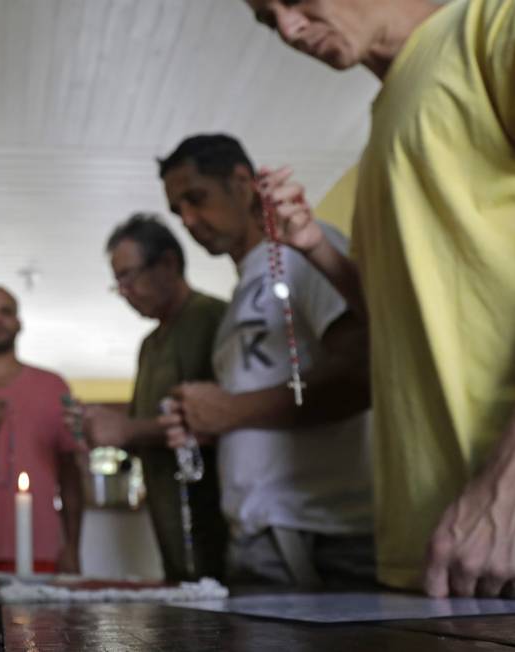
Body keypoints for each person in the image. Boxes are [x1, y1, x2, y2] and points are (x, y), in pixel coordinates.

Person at [245, 0, 515, 598]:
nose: (287, 30)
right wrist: (316, 248)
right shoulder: (386, 119)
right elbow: (401, 319)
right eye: (267, 19)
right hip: (438, 551)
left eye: (291, 1)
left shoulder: (502, 20)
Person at [159, 134, 375, 588]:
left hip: (324, 538)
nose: (190, 221)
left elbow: (360, 376)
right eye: (179, 211)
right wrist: (203, 421)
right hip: (261, 536)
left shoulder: (305, 253)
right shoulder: (243, 293)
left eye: (197, 198)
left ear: (242, 182)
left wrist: (229, 411)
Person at [82, 214, 227, 582]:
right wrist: (103, 428)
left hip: (222, 532)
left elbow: (221, 420)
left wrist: (126, 430)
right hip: (172, 540)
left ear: (168, 264)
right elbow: (137, 435)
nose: (126, 291)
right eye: (118, 283)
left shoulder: (212, 319)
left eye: (129, 276)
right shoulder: (149, 346)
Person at [0, 286, 84, 575]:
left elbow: (70, 472)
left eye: (5, 312)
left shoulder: (53, 386)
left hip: (41, 550)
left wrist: (73, 547)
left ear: (19, 322)